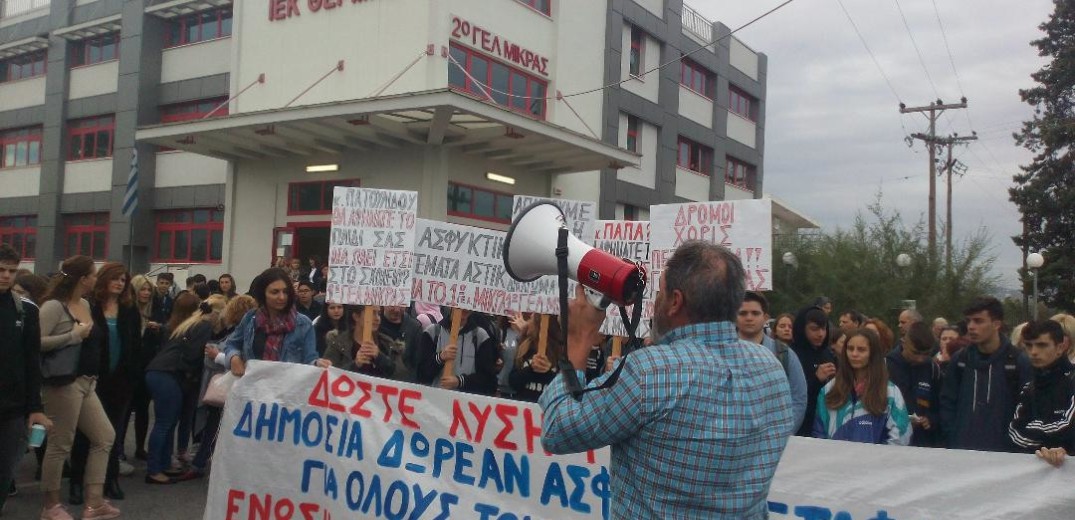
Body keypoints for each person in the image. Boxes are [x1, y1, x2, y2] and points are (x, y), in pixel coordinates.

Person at [539, 241, 793, 518]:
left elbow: (558, 431)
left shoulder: (648, 373)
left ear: (675, 301)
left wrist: (578, 339)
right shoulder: (771, 367)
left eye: (660, 292)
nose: (654, 302)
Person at [38, 256, 121, 520]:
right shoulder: (53, 306)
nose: (96, 279)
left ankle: (94, 503)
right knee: (61, 443)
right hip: (63, 381)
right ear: (82, 279)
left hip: (87, 381)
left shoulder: (85, 303)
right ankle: (51, 506)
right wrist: (73, 335)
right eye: (93, 275)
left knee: (104, 436)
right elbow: (36, 343)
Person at [69, 264, 141, 503]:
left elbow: (134, 345)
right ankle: (76, 483)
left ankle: (110, 479)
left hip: (120, 379)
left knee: (111, 433)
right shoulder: (90, 305)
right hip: (92, 377)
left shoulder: (130, 309)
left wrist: (133, 376)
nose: (120, 283)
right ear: (104, 279)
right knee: (83, 434)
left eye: (124, 280)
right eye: (116, 279)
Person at [144, 295, 226, 485]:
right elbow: (192, 355)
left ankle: (162, 464)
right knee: (164, 424)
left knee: (167, 422)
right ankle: (154, 469)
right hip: (169, 374)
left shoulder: (190, 323)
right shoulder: (205, 327)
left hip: (159, 371)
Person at [940, 297, 1032, 452]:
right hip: (962, 452)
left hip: (1005, 456)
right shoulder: (960, 360)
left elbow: (1028, 408)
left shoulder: (1017, 362)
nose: (971, 327)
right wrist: (952, 434)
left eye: (978, 321)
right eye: (969, 321)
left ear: (996, 324)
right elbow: (947, 401)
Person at [0, 245, 51, 515]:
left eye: (11, 270)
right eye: (1, 270)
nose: (6, 276)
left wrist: (36, 408)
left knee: (5, 472)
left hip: (12, 408)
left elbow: (33, 362)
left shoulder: (25, 311)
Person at [187, 294, 256, 481]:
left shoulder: (239, 333)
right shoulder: (247, 330)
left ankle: (200, 464)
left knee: (213, 426)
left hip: (232, 386)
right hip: (242, 388)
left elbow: (236, 360)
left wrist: (217, 355)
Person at [223, 268, 329, 377]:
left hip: (287, 389)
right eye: (275, 292)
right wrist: (234, 358)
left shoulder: (303, 324)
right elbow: (231, 343)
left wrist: (317, 364)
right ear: (263, 293)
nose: (282, 297)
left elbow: (310, 360)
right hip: (252, 388)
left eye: (285, 291)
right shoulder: (250, 318)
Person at [814, 328, 911, 445]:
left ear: (873, 353)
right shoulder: (829, 389)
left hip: (874, 461)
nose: (854, 354)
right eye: (850, 349)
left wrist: (880, 460)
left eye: (861, 350)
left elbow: (901, 434)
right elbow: (819, 432)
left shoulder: (890, 392)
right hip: (835, 460)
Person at [738, 291, 808, 433]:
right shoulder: (720, 352)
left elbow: (798, 398)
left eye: (755, 313)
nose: (749, 318)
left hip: (773, 439)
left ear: (765, 318)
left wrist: (783, 434)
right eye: (743, 313)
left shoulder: (784, 354)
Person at [1008, 320, 1075, 466]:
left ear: (1061, 347)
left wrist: (1035, 430)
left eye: (1042, 345)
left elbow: (1068, 427)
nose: (1033, 352)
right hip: (1037, 476)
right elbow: (1015, 432)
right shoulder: (1029, 387)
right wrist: (1044, 449)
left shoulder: (1071, 381)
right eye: (1029, 345)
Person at [414, 306, 499, 395]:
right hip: (435, 401)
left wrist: (460, 381)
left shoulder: (480, 336)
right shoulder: (433, 332)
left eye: (467, 304)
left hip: (465, 404)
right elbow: (420, 374)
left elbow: (488, 380)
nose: (464, 307)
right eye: (459, 304)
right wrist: (439, 358)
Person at [886, 321, 943, 447]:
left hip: (922, 442)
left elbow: (941, 405)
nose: (921, 359)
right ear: (904, 342)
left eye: (926, 354)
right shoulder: (886, 366)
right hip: (892, 442)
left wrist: (931, 420)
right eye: (916, 352)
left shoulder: (932, 368)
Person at [126, 275, 161, 461]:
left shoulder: (154, 311)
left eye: (149, 290)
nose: (146, 293)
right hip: (129, 368)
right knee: (124, 411)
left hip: (147, 367)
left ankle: (140, 447)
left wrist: (158, 329)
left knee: (143, 409)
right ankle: (119, 450)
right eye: (143, 289)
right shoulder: (127, 310)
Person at [790, 306, 835, 437]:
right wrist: (815, 379)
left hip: (824, 421)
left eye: (823, 329)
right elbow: (792, 394)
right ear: (802, 329)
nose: (820, 334)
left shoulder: (827, 353)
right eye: (814, 329)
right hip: (802, 425)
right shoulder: (792, 355)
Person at [323, 305, 396, 377]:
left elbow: (400, 374)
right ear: (356, 317)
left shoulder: (387, 342)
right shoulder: (338, 343)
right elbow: (328, 375)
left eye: (379, 314)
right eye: (372, 313)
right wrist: (355, 365)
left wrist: (380, 357)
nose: (377, 318)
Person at [509, 315, 564, 402]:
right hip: (523, 407)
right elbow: (513, 382)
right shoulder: (525, 347)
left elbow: (565, 387)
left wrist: (547, 372)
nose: (527, 322)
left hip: (549, 408)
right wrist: (531, 369)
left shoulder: (562, 351)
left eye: (531, 319)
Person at [377, 306, 422, 382]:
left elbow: (417, 365)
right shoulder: (373, 324)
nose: (397, 310)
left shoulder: (414, 328)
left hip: (403, 385)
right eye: (393, 305)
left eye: (401, 305)